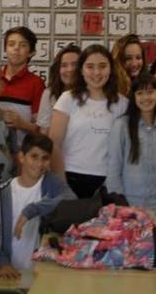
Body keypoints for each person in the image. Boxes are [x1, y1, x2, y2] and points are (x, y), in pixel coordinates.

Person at [0, 133, 76, 279]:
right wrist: (0, 264)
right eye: (34, 156)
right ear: (22, 157)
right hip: (9, 272)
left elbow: (71, 200)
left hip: (44, 272)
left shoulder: (52, 183)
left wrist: (32, 210)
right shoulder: (0, 194)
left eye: (45, 158)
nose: (40, 163)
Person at [48, 44, 129, 198]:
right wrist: (61, 184)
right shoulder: (67, 99)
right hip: (71, 177)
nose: (97, 72)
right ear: (81, 70)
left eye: (102, 66)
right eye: (90, 67)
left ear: (111, 69)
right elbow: (54, 144)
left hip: (108, 181)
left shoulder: (122, 104)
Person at [106, 74, 156, 232]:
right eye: (140, 93)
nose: (146, 97)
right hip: (128, 209)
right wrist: (119, 208)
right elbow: (114, 170)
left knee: (154, 255)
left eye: (150, 92)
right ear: (133, 97)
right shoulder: (122, 126)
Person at [0, 27, 45, 145]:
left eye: (23, 45)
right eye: (11, 44)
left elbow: (42, 129)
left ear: (31, 52)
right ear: (5, 49)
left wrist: (22, 124)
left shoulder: (36, 83)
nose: (16, 48)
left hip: (24, 154)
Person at [35, 44, 81, 131]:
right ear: (58, 70)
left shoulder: (93, 94)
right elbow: (43, 132)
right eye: (64, 65)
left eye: (75, 64)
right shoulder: (49, 94)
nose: (70, 69)